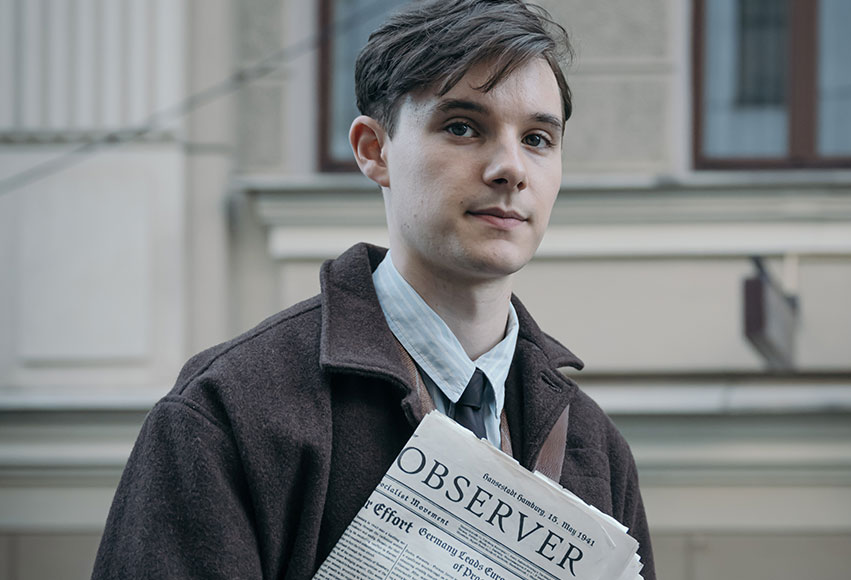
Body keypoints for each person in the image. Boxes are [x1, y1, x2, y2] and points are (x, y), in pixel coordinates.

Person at [91, 1, 655, 578]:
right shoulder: (232, 409)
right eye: (463, 127)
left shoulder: (596, 448)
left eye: (538, 138)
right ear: (373, 150)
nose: (511, 168)